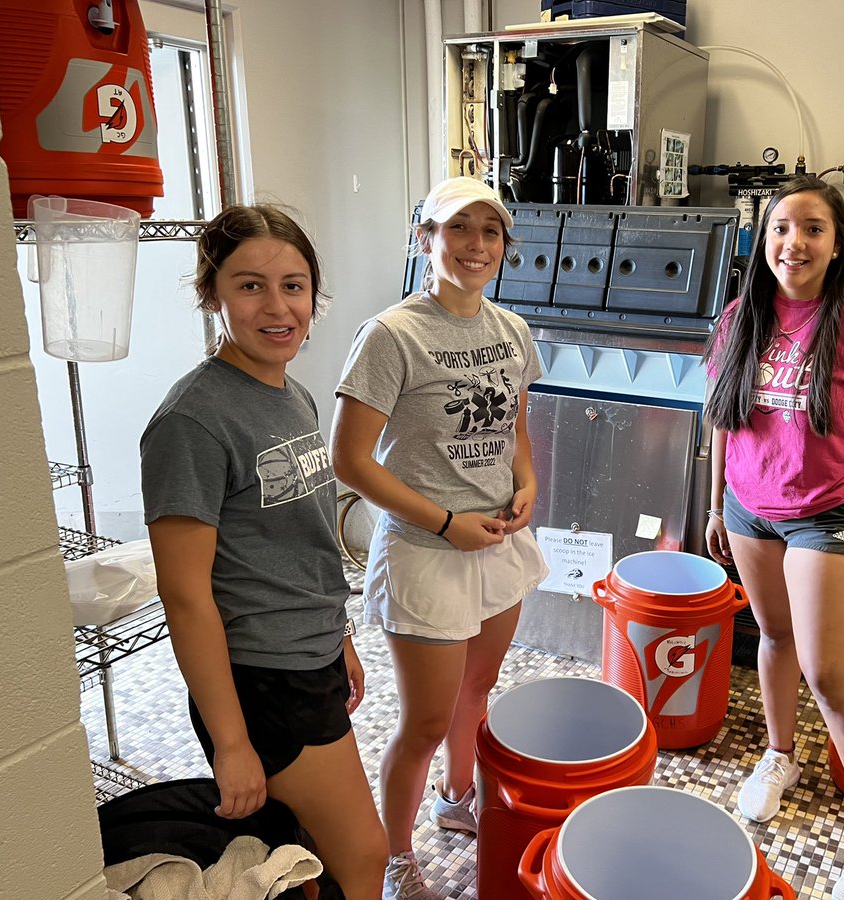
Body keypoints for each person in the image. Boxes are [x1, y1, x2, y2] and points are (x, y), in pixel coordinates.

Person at [140, 205, 388, 899]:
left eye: (294, 286)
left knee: (303, 861)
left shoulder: (292, 395)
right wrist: (231, 744)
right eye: (250, 286)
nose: (278, 307)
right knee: (363, 857)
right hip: (262, 678)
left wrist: (337, 635)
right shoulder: (193, 421)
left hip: (307, 656)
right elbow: (184, 595)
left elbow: (299, 542)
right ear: (212, 293)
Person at [704, 176, 844, 900]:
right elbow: (722, 419)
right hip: (750, 507)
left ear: (836, 246)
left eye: (811, 229)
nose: (792, 243)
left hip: (827, 513)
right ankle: (780, 754)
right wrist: (716, 505)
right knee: (772, 637)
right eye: (780, 228)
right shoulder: (741, 316)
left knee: (830, 676)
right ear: (763, 238)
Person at [331, 176, 548, 900]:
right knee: (423, 722)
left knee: (476, 692)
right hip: (427, 553)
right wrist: (448, 523)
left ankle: (457, 799)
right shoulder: (391, 335)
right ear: (425, 238)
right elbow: (349, 460)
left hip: (497, 544)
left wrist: (527, 482)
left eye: (490, 231)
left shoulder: (511, 331)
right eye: (458, 228)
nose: (475, 245)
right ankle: (397, 859)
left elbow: (514, 429)